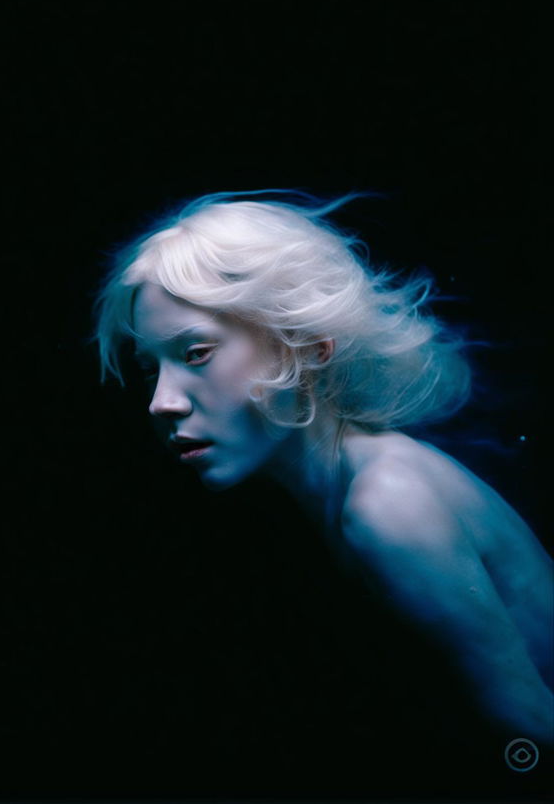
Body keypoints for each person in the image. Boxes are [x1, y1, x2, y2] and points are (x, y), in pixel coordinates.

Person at [92, 190, 554, 750]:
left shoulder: (388, 504)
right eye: (149, 369)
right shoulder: (340, 488)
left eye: (196, 354)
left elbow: (528, 724)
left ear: (308, 346)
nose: (161, 402)